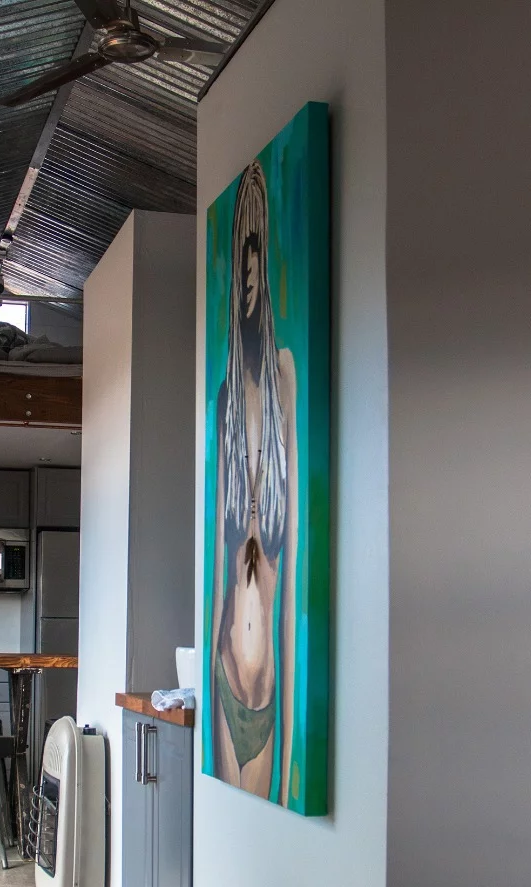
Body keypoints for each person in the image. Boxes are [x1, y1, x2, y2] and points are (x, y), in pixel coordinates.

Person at [209, 160, 299, 803]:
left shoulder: (285, 380)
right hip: (222, 679)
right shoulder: (221, 403)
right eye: (239, 254)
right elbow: (220, 562)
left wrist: (291, 749)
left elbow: (287, 596)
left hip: (265, 697)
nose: (245, 275)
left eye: (254, 256)